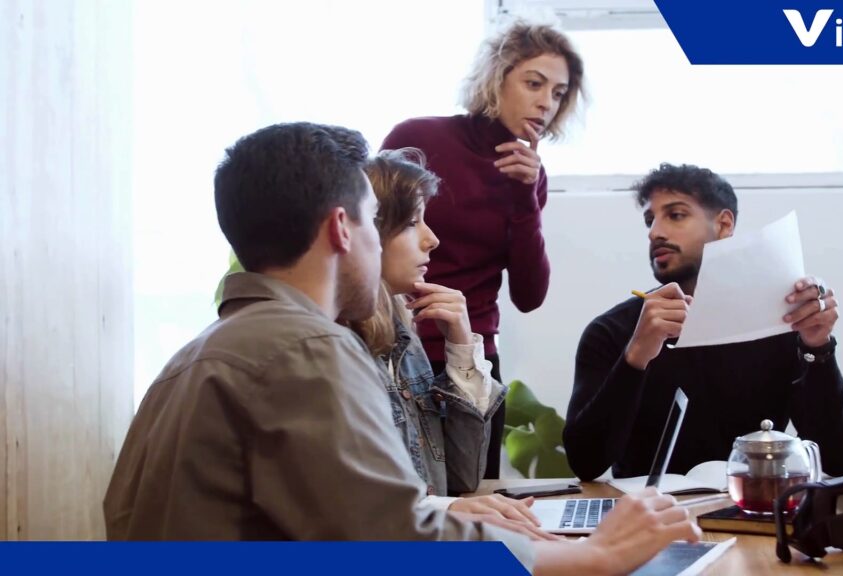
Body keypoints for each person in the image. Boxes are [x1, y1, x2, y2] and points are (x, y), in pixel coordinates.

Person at [103, 122, 701, 575]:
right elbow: (399, 542)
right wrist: (594, 555)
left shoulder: (191, 359)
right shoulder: (307, 347)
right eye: (373, 219)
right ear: (342, 229)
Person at [564, 163, 843, 482]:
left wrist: (817, 347)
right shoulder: (613, 331)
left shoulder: (780, 323)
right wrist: (635, 356)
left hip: (753, 504)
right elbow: (585, 463)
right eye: (650, 220)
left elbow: (837, 459)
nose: (655, 232)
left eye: (675, 215)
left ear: (723, 224)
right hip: (647, 509)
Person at [381, 20, 586, 477]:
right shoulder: (417, 138)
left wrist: (525, 199)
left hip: (471, 354)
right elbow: (370, 241)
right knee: (406, 497)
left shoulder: (531, 177)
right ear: (497, 79)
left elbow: (529, 295)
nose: (546, 102)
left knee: (477, 492)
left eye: (558, 93)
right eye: (534, 83)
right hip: (397, 347)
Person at [354, 148, 537, 524]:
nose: (432, 239)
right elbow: (358, 507)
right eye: (412, 223)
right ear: (366, 234)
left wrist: (462, 347)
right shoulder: (338, 350)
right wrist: (450, 508)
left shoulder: (405, 339)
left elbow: (463, 476)